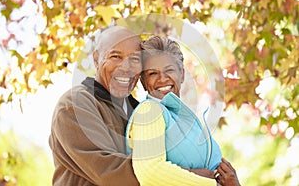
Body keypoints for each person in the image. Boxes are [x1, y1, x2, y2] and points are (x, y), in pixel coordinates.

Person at [126, 36, 241, 186]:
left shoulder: (186, 119)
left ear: (182, 74)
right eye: (152, 73)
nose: (162, 79)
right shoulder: (150, 111)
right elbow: (150, 172)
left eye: (169, 70)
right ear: (143, 82)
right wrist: (211, 183)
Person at [49, 26, 143, 185]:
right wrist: (188, 175)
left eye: (135, 59)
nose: (126, 67)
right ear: (96, 59)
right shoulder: (75, 104)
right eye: (115, 56)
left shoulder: (140, 112)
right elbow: (114, 173)